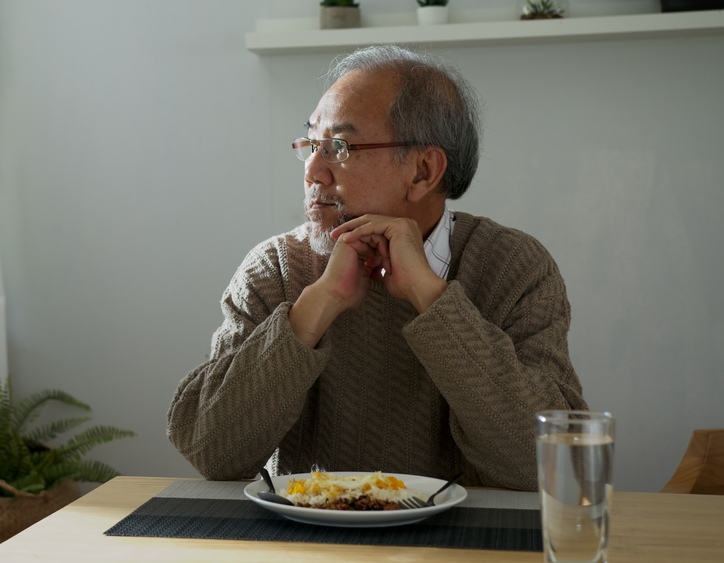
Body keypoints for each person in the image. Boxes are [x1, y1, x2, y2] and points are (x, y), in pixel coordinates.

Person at [166, 45, 587, 491]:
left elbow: (553, 463)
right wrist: (314, 309)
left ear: (423, 171)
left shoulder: (514, 268)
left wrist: (432, 299)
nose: (312, 171)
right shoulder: (273, 269)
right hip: (307, 547)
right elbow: (209, 451)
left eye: (340, 147)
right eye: (311, 144)